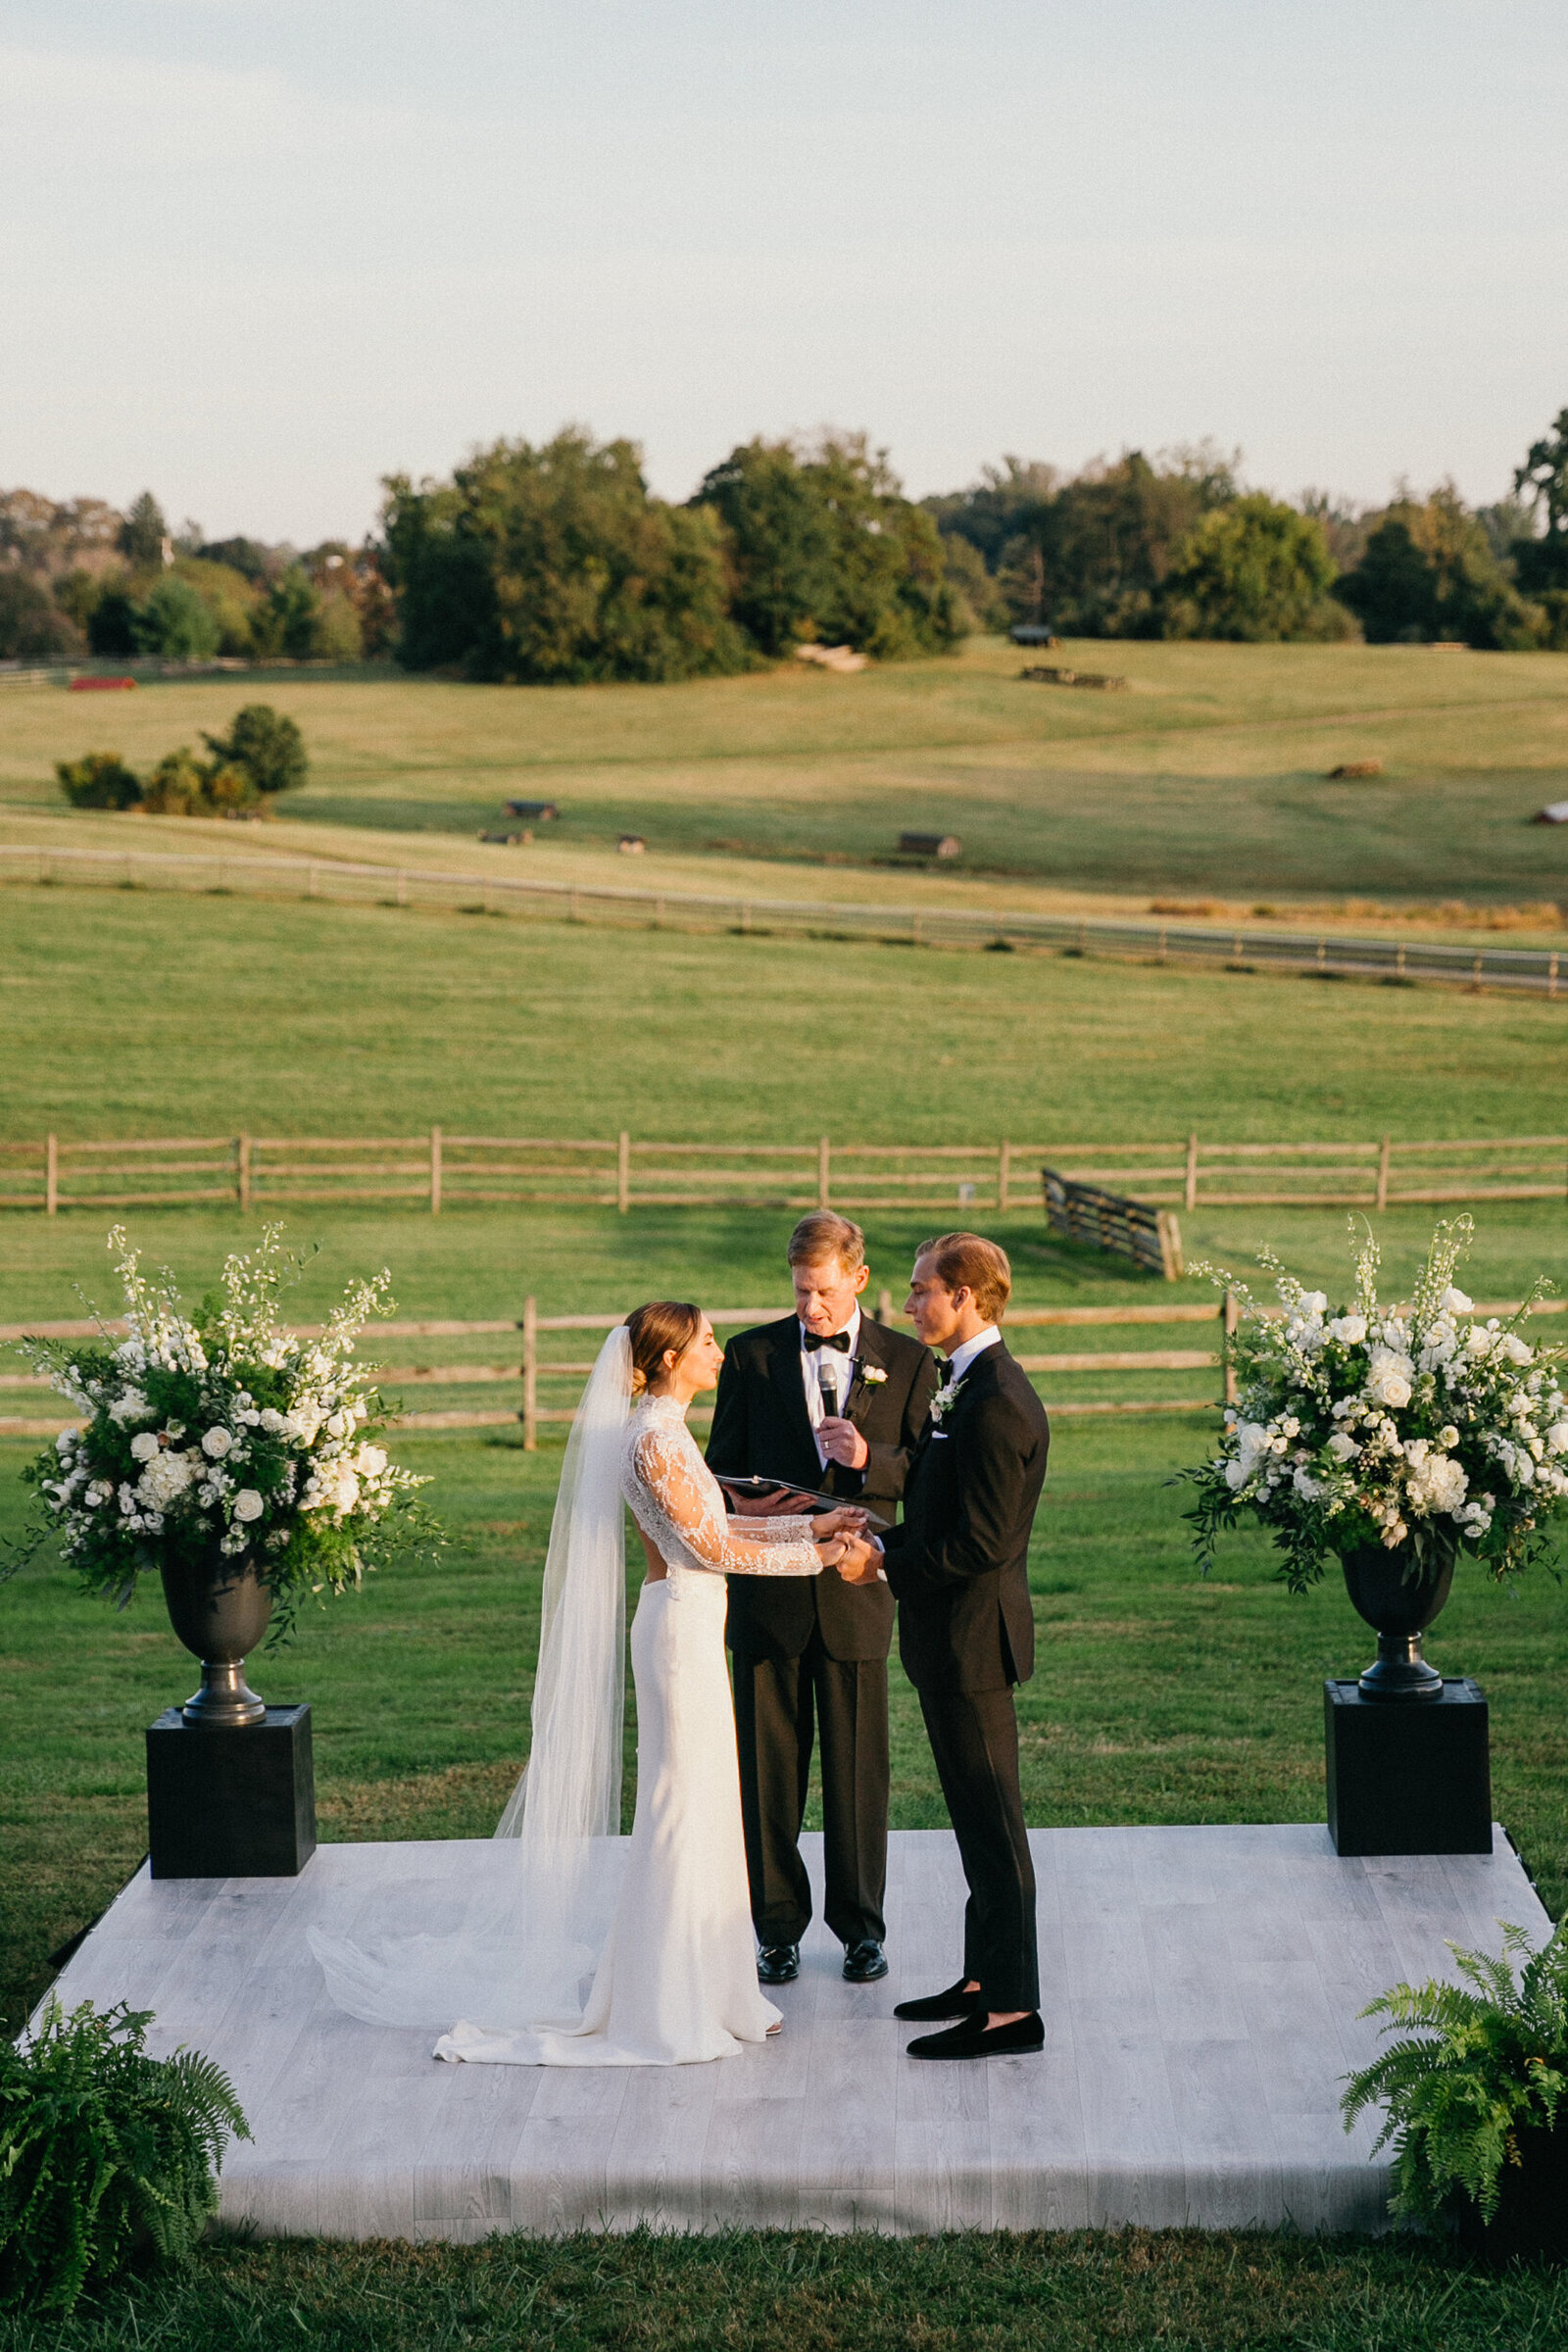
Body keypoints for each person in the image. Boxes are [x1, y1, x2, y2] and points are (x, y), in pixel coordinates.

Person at [309, 1302, 866, 2067]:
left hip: (697, 1626)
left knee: (707, 1804)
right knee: (676, 1806)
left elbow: (727, 1529)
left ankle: (720, 1987)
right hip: (677, 1632)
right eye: (706, 1342)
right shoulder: (650, 1439)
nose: (717, 1352)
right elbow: (709, 1548)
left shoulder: (668, 1430)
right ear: (669, 1360)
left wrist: (814, 1529)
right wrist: (821, 1560)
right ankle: (664, 2001)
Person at [708, 1213, 938, 1986]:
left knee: (857, 1773)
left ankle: (862, 1930)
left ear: (859, 1281)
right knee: (768, 1775)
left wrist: (871, 1458)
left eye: (825, 1292)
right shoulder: (750, 1356)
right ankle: (775, 1929)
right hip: (768, 1602)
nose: (811, 1306)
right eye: (801, 1291)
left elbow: (929, 1477)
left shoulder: (907, 1362)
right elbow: (721, 1476)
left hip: (857, 1596)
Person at [837, 1234, 1049, 2061]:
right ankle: (979, 1980)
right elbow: (943, 1513)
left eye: (922, 1290)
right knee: (972, 1823)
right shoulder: (965, 1383)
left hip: (974, 1646)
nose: (911, 1303)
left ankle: (1012, 2013)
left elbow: (983, 1546)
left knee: (995, 1827)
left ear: (965, 1296)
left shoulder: (996, 1401)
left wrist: (885, 1561)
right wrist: (876, 1526)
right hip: (945, 1642)